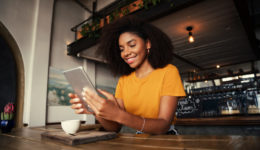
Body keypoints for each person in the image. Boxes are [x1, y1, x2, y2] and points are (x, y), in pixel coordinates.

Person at [69, 15, 186, 135]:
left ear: (147, 44)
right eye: (121, 49)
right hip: (138, 142)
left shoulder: (169, 72)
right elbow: (115, 127)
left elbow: (163, 125)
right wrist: (95, 110)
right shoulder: (124, 80)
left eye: (132, 45)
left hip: (167, 141)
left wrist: (119, 115)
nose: (126, 53)